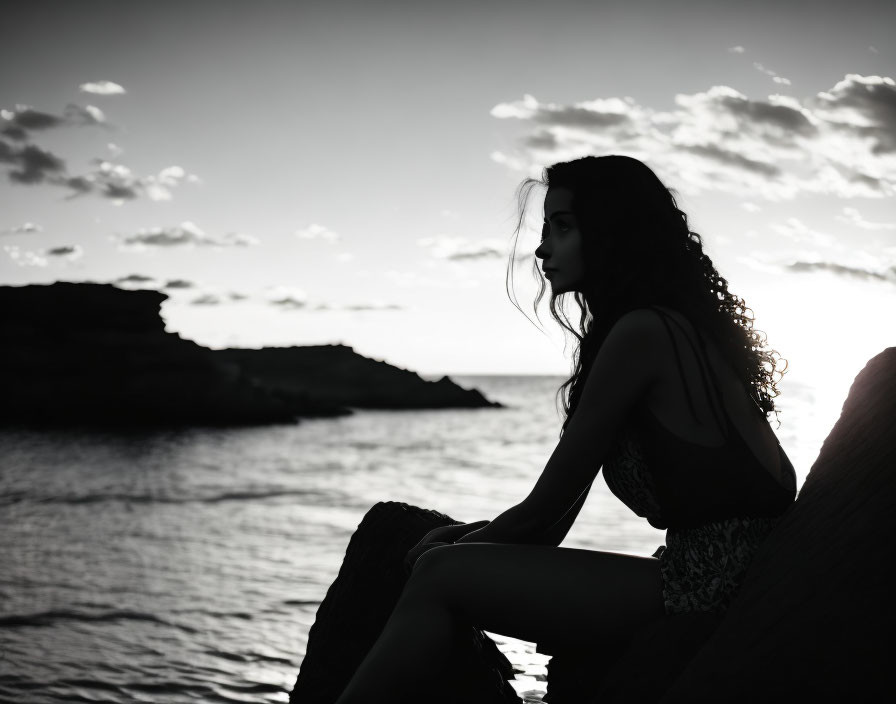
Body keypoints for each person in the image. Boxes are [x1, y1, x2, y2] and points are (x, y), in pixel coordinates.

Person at [334, 155, 797, 703]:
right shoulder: (656, 328)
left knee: (439, 576)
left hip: (712, 583)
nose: (542, 247)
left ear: (611, 233)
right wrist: (466, 539)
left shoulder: (644, 332)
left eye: (562, 226)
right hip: (716, 572)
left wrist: (446, 550)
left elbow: (541, 511)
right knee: (446, 565)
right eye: (544, 227)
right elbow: (550, 522)